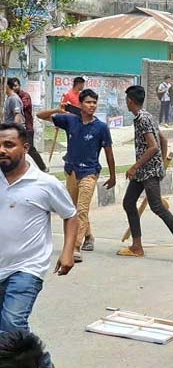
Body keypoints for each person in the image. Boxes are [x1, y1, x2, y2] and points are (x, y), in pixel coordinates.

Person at [0, 122, 79, 368]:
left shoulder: (45, 184)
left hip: (28, 267)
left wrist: (68, 252)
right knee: (8, 328)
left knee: (11, 323)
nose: (2, 150)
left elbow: (70, 215)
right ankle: (44, 362)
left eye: (8, 145)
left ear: (25, 147)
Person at [117, 86, 173, 265]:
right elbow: (163, 140)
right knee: (129, 202)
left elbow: (153, 146)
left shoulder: (143, 120)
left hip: (147, 171)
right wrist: (161, 165)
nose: (126, 103)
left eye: (126, 100)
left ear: (130, 101)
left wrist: (135, 167)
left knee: (157, 207)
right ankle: (136, 246)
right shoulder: (146, 116)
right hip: (145, 170)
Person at [37, 89, 116, 262]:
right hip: (71, 171)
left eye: (94, 102)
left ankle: (75, 247)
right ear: (80, 104)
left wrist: (112, 176)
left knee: (82, 209)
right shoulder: (69, 120)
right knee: (73, 210)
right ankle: (88, 236)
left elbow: (109, 152)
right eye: (88, 102)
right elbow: (40, 115)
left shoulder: (101, 127)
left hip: (90, 172)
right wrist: (58, 110)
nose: (92, 106)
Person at [8, 78, 47, 171]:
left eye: (16, 85)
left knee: (30, 148)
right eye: (13, 86)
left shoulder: (24, 96)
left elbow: (23, 106)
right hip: (18, 128)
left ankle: (42, 167)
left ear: (20, 86)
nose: (15, 87)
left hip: (27, 127)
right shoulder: (12, 97)